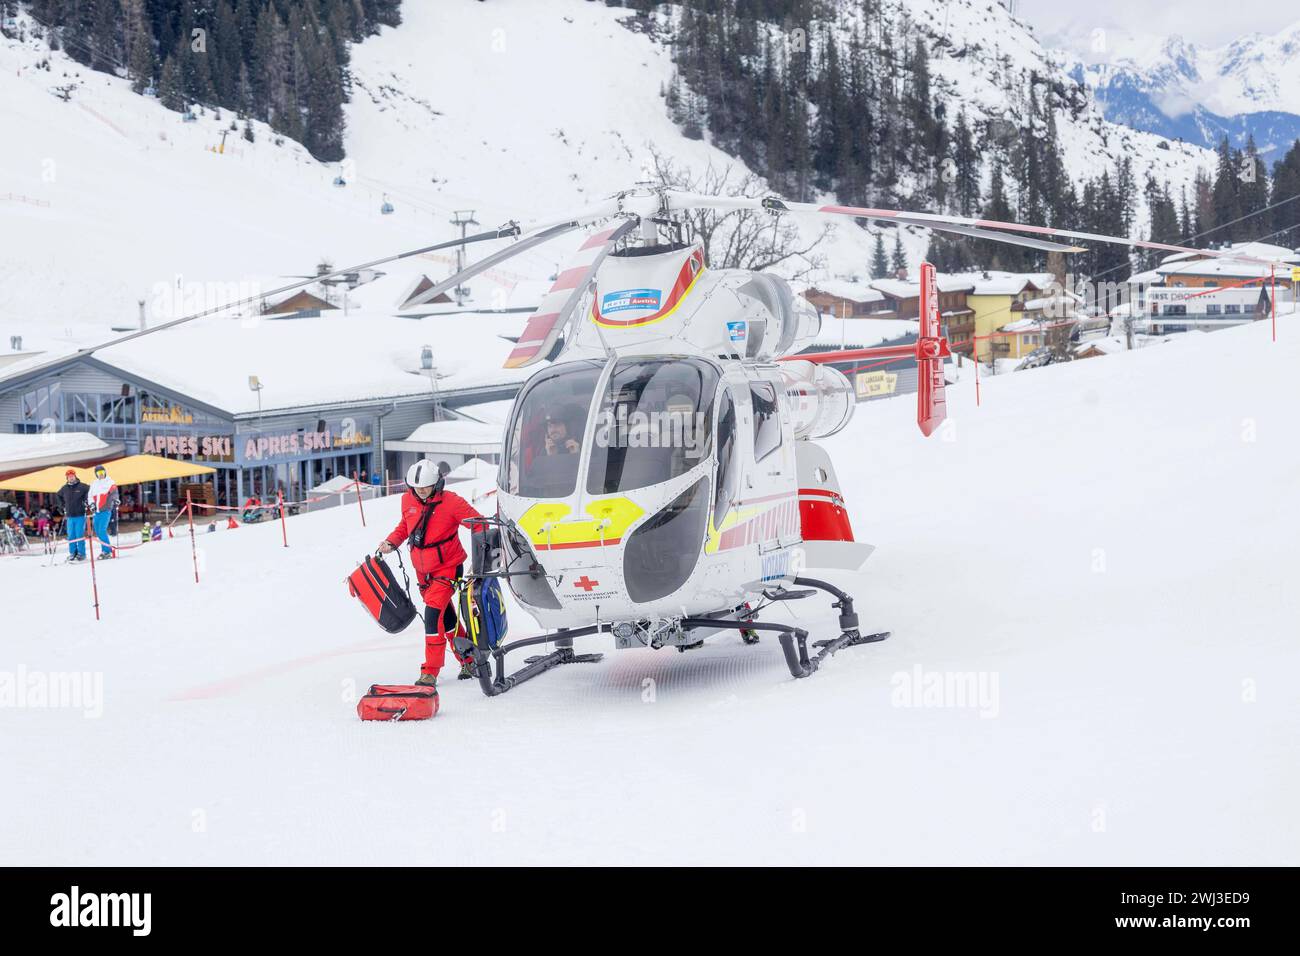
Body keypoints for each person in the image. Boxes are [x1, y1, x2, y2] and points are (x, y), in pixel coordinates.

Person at [378, 458, 485, 691]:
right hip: (422, 573)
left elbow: (480, 525)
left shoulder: (453, 503)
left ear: (437, 484)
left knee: (432, 615)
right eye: (416, 488)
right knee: (446, 619)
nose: (421, 492)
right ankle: (469, 660)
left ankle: (430, 671)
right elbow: (406, 526)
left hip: (448, 568)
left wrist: (480, 560)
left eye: (425, 487)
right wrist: (391, 542)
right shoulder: (407, 500)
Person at [55, 470, 89, 561]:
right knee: (71, 536)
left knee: (79, 535)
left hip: (80, 515)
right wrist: (62, 506)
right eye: (69, 476)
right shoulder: (64, 488)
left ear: (75, 476)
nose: (71, 477)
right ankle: (73, 553)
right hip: (69, 516)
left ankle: (82, 554)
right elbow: (58, 495)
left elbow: (90, 491)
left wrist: (86, 501)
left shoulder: (82, 486)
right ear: (67, 478)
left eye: (72, 476)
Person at [87, 464, 119, 558]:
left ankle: (107, 551)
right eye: (98, 473)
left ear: (105, 472)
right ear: (96, 474)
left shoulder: (110, 482)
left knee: (101, 530)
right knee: (97, 531)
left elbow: (114, 494)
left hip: (106, 509)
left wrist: (116, 500)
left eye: (102, 472)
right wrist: (91, 504)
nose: (101, 474)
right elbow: (90, 496)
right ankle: (105, 550)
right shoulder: (94, 484)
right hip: (96, 511)